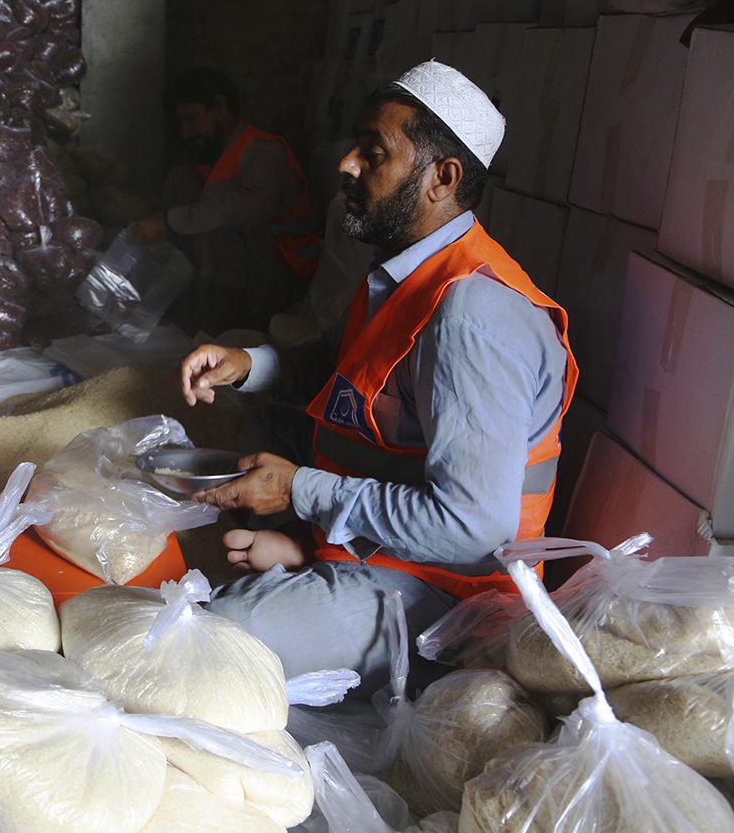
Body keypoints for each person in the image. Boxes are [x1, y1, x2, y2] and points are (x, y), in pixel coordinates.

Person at [176, 61, 578, 692]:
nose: (345, 165)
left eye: (374, 152)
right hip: (381, 543)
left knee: (196, 646)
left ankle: (304, 561)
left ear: (441, 179)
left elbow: (471, 526)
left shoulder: (473, 315)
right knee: (260, 421)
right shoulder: (406, 274)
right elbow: (344, 370)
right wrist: (251, 364)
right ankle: (303, 552)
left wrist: (300, 493)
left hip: (447, 591)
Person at [132, 67, 322, 334]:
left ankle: (225, 322)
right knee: (182, 181)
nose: (186, 132)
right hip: (254, 268)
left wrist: (169, 222)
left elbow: (246, 209)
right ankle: (198, 305)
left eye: (192, 119)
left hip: (283, 273)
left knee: (219, 222)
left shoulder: (263, 150)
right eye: (182, 123)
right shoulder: (224, 150)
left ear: (220, 107)